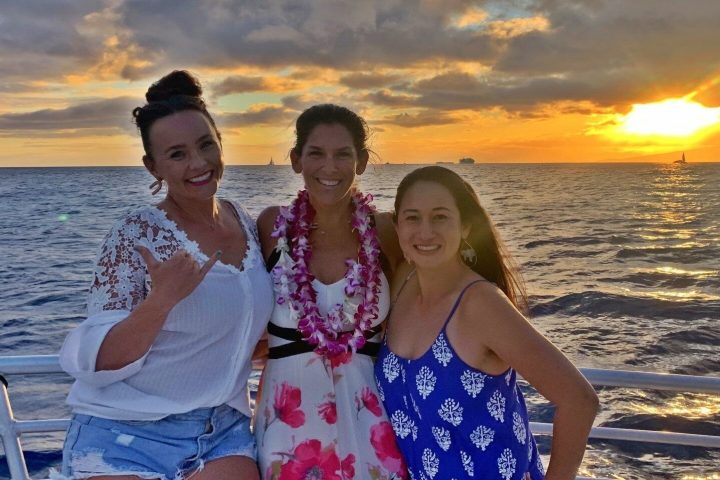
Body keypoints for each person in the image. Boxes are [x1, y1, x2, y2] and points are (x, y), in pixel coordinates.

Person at [57, 70, 273, 480]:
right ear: (152, 166)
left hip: (220, 432)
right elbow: (99, 362)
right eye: (177, 154)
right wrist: (161, 301)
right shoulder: (135, 234)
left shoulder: (242, 221)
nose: (199, 163)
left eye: (206, 145)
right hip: (127, 432)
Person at [375, 166, 599, 479]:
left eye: (440, 217)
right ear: (397, 226)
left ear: (465, 227)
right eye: (413, 217)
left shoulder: (481, 305)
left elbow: (579, 400)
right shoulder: (402, 283)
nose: (425, 231)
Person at [254, 104, 407, 479]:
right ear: (295, 160)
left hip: (372, 422)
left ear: (362, 162)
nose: (330, 167)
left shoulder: (386, 232)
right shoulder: (273, 226)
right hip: (286, 426)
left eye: (343, 154)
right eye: (316, 153)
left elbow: (419, 315)